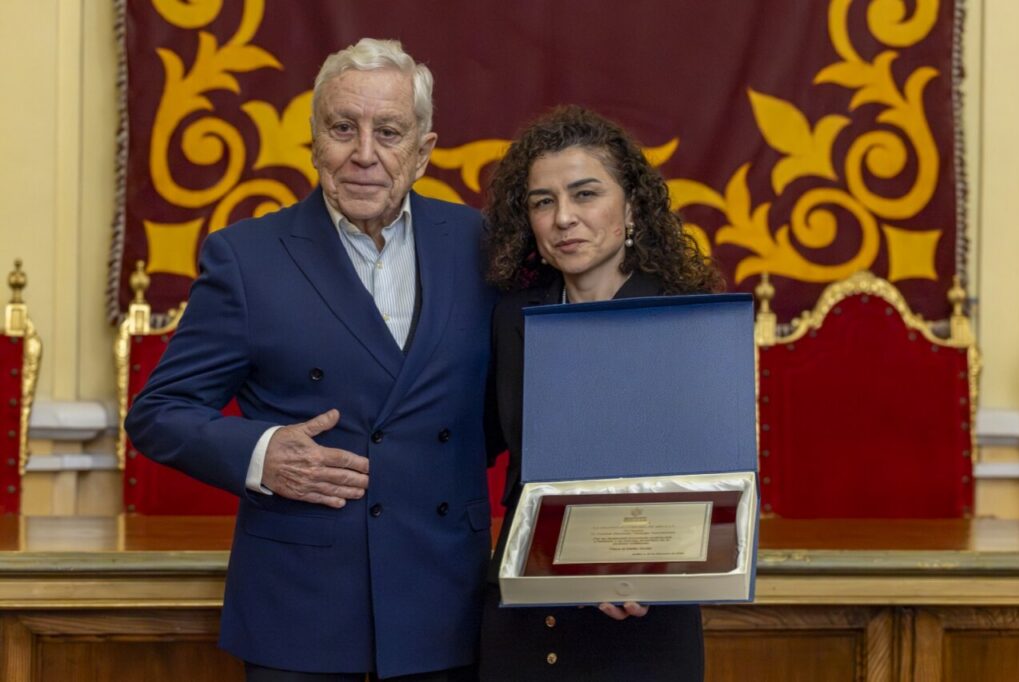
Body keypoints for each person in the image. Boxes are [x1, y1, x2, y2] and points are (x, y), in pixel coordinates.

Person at [126, 39, 497, 681]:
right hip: (303, 607)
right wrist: (262, 453)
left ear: (424, 150)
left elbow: (516, 405)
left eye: (388, 131)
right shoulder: (246, 257)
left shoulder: (479, 243)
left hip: (446, 601)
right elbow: (158, 413)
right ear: (314, 141)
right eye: (342, 128)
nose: (364, 154)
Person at [480, 105, 723, 681]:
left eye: (585, 194)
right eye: (543, 201)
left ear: (631, 206)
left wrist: (652, 574)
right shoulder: (511, 319)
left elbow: (718, 476)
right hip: (522, 613)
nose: (564, 218)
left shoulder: (686, 323)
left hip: (639, 618)